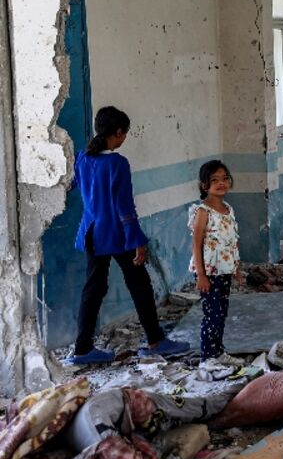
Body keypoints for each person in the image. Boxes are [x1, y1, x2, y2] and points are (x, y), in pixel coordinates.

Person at [67, 107, 189, 364]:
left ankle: (82, 348)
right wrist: (137, 240)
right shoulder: (117, 163)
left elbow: (69, 186)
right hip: (116, 233)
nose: (124, 139)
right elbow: (124, 207)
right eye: (124, 134)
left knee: (93, 289)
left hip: (90, 232)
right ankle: (156, 340)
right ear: (118, 132)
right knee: (140, 284)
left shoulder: (82, 159)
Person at [189, 160, 245, 367]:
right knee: (212, 314)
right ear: (204, 185)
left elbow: (233, 240)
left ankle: (218, 352)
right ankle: (208, 357)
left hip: (224, 269)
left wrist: (236, 268)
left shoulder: (228, 209)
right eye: (214, 180)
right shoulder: (203, 211)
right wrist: (201, 275)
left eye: (224, 179)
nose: (221, 183)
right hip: (209, 272)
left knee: (221, 313)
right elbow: (196, 244)